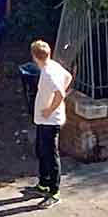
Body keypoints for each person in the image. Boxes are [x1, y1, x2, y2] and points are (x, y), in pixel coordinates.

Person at [29, 40, 72, 206]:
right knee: (41, 150)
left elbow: (60, 94)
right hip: (44, 120)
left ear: (34, 57)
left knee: (51, 154)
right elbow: (68, 77)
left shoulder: (48, 73)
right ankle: (44, 183)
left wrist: (49, 109)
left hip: (50, 121)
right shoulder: (53, 65)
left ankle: (54, 191)